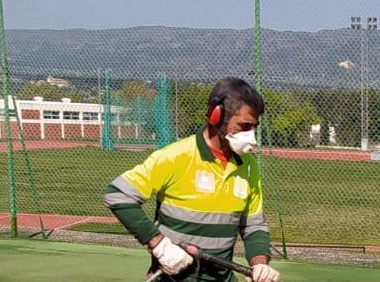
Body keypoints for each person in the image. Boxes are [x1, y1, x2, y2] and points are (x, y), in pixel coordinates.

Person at [103, 77, 280, 282]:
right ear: (216, 117)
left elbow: (253, 226)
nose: (252, 135)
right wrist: (159, 245)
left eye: (254, 127)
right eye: (244, 126)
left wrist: (260, 264)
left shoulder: (248, 166)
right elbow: (118, 194)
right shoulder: (176, 156)